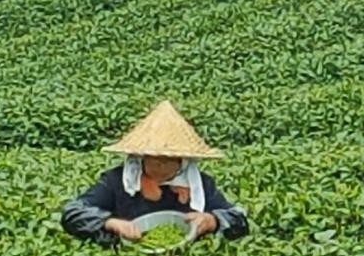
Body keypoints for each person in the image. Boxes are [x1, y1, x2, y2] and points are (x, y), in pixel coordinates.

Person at [61, 100, 249, 246]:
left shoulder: (199, 184)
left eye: (169, 159)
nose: (160, 165)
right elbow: (73, 213)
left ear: (183, 160)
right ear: (141, 156)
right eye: (154, 158)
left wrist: (212, 221)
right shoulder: (117, 181)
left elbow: (238, 220)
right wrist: (111, 223)